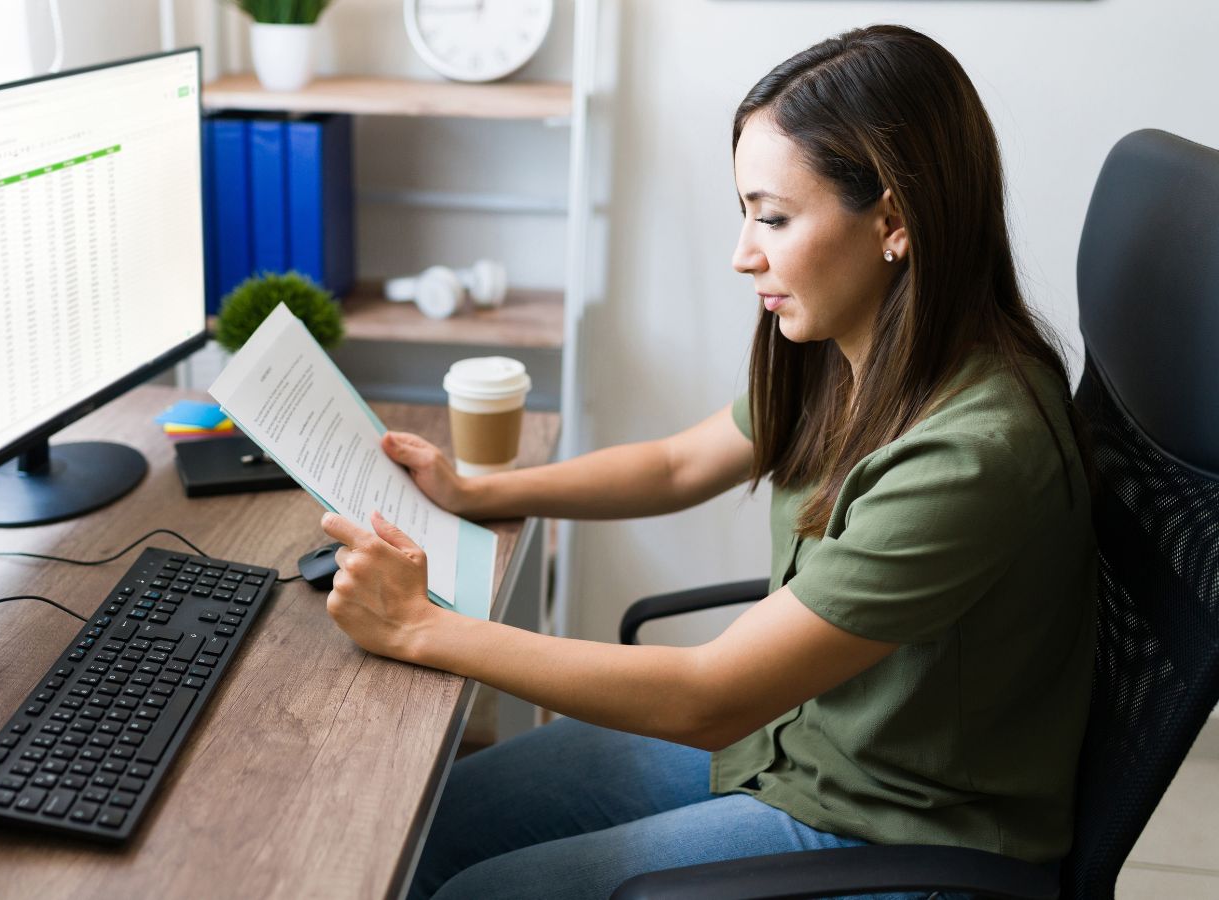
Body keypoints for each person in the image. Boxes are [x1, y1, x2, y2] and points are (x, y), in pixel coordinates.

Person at [317, 24, 1096, 900]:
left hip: (896, 832)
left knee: (478, 894)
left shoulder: (971, 453)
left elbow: (709, 695)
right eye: (745, 212)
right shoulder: (849, 348)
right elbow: (677, 465)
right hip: (793, 740)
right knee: (436, 820)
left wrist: (424, 629)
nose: (742, 253)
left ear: (893, 221)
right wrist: (477, 487)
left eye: (774, 217)